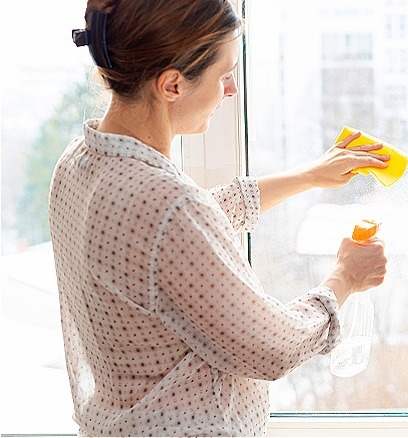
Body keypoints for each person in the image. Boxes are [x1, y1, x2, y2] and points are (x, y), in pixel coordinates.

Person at [49, 0, 389, 436]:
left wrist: (309, 176)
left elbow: (189, 230)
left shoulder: (81, 163)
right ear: (172, 85)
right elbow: (271, 347)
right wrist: (345, 276)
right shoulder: (165, 206)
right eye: (224, 75)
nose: (231, 91)